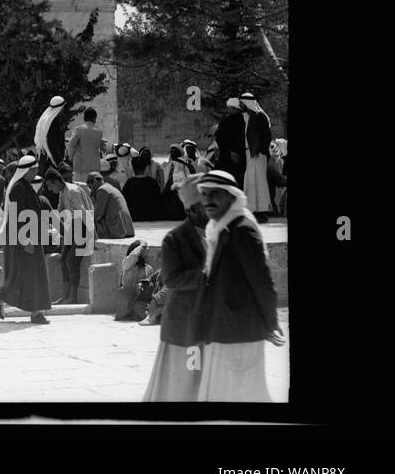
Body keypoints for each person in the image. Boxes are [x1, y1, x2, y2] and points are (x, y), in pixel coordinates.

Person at [195, 170, 284, 401]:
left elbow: (262, 281)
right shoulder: (219, 227)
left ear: (232, 196)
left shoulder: (243, 229)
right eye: (204, 194)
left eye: (215, 194)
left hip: (241, 329)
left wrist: (271, 322)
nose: (208, 200)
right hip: (220, 328)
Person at [143, 175, 208, 401]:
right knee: (184, 383)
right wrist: (204, 276)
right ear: (191, 210)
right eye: (204, 205)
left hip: (209, 323)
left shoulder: (218, 233)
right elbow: (171, 280)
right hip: (185, 324)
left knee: (205, 382)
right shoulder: (174, 239)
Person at [0, 154, 51, 323]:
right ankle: (32, 311)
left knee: (32, 275)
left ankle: (35, 311)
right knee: (22, 273)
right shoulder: (19, 188)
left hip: (31, 237)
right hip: (23, 239)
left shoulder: (25, 186)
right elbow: (17, 216)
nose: (35, 172)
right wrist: (25, 241)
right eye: (33, 169)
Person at [54, 175, 93, 304]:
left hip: (83, 226)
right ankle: (65, 296)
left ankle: (73, 297)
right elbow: (61, 210)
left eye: (49, 185)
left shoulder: (72, 191)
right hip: (72, 227)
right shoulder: (62, 192)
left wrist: (93, 233)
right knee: (63, 259)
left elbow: (83, 212)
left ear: (55, 182)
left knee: (71, 261)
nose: (49, 189)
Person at [240, 93, 273, 221]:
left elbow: (267, 136)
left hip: (258, 154)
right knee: (250, 182)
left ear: (248, 103)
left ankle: (262, 211)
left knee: (259, 183)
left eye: (242, 103)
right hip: (250, 154)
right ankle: (253, 210)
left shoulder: (260, 116)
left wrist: (262, 152)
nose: (241, 106)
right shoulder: (249, 117)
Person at [88, 170, 134, 240]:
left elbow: (98, 214)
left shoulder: (102, 190)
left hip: (117, 226)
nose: (91, 189)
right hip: (126, 227)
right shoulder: (108, 186)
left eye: (90, 187)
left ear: (94, 181)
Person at [115, 240, 155, 321]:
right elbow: (133, 257)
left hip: (140, 301)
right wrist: (141, 247)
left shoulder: (148, 268)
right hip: (127, 300)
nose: (148, 249)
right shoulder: (127, 264)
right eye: (145, 247)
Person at [214, 98, 246, 186]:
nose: (227, 110)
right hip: (243, 158)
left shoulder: (226, 121)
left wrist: (229, 153)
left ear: (232, 108)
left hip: (227, 159)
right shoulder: (246, 120)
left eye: (229, 108)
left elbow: (220, 139)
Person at [65, 107, 103, 181]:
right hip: (95, 167)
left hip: (80, 168)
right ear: (95, 118)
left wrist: (70, 158)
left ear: (84, 118)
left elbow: (71, 145)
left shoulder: (79, 129)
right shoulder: (99, 132)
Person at [33, 95, 68, 172]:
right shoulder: (52, 123)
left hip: (45, 156)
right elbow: (52, 143)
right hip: (51, 159)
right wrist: (58, 161)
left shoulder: (46, 120)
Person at [121, 156, 162, 222]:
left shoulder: (129, 183)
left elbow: (123, 201)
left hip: (133, 216)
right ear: (145, 167)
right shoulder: (152, 182)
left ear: (133, 168)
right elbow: (158, 200)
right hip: (151, 216)